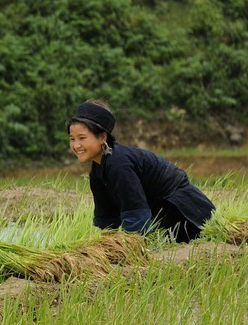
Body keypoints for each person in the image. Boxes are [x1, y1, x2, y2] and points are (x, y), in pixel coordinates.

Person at [67, 98, 214, 243]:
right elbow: (107, 216)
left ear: (102, 137)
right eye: (72, 139)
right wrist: (105, 246)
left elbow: (135, 210)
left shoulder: (119, 164)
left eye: (82, 138)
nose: (76, 145)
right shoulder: (97, 170)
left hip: (185, 212)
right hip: (159, 214)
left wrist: (129, 246)